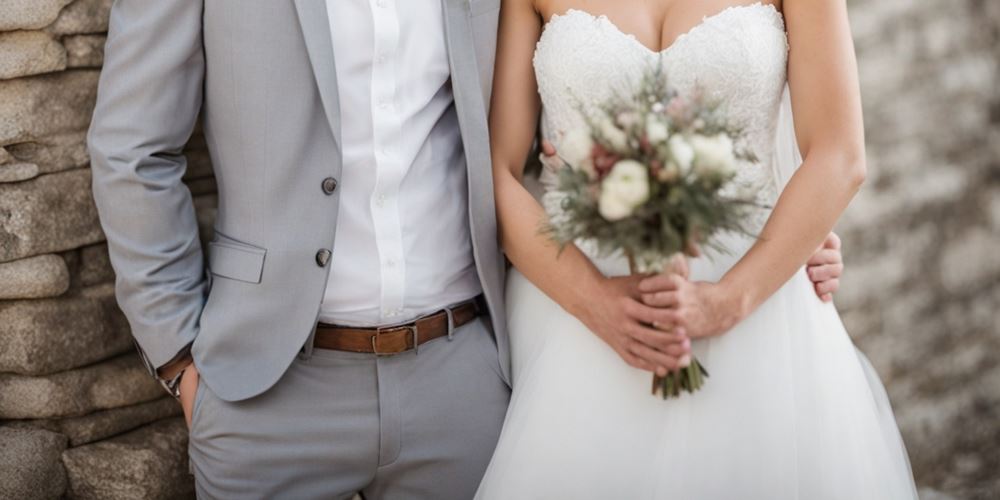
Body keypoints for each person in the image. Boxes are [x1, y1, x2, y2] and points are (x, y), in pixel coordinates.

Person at [87, 0, 846, 498]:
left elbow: (570, 127)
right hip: (271, 390)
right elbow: (131, 148)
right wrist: (183, 364)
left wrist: (763, 241)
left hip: (465, 382)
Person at [475, 0, 919, 498]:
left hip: (762, 311)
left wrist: (727, 302)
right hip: (575, 315)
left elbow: (840, 156)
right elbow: (495, 171)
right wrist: (594, 300)